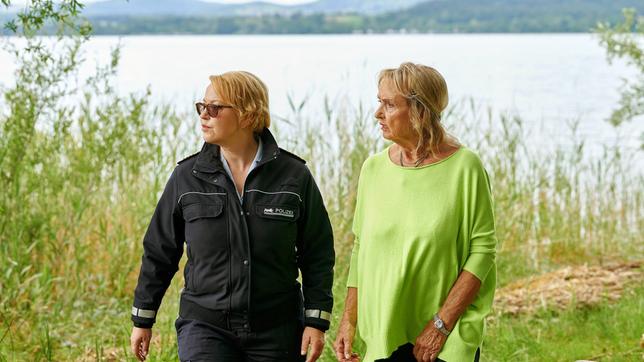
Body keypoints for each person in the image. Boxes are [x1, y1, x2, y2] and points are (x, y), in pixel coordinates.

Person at [129, 70, 335, 362]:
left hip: (279, 329)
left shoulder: (294, 176)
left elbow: (318, 253)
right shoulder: (186, 177)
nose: (204, 115)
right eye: (201, 107)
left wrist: (316, 321)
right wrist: (142, 319)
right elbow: (159, 253)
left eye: (214, 108)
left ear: (248, 115)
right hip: (205, 327)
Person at [334, 62, 497, 362]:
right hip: (384, 334)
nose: (378, 113)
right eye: (378, 102)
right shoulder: (373, 169)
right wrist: (349, 320)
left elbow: (483, 251)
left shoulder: (465, 168)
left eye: (389, 104)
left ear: (419, 111)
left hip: (446, 338)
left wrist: (441, 326)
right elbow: (360, 248)